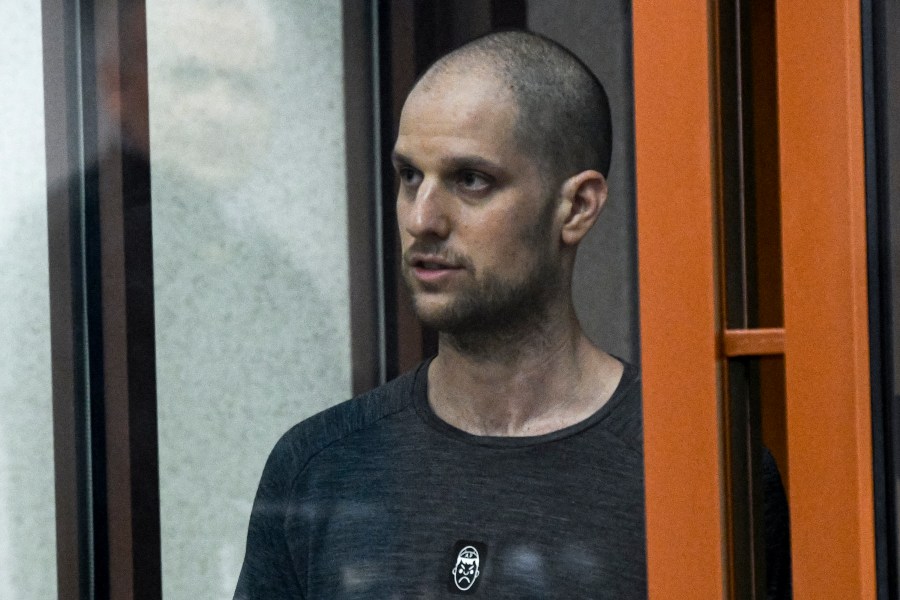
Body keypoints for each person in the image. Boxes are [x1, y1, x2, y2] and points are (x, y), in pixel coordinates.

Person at [234, 30, 791, 598]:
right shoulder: (321, 466)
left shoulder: (699, 473)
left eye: (470, 180)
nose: (422, 218)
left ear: (575, 207)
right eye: (409, 177)